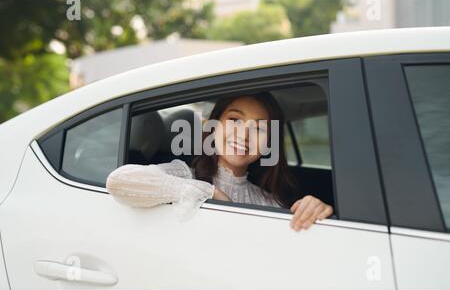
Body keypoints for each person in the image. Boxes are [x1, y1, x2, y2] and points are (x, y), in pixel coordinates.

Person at [106, 92, 333, 231]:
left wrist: (319, 211)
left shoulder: (271, 201)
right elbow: (119, 181)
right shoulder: (186, 174)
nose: (244, 135)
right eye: (234, 120)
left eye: (260, 128)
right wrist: (210, 191)